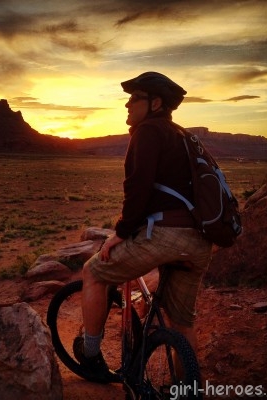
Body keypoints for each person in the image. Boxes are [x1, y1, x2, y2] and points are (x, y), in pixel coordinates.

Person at [73, 71, 212, 381]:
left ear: (156, 103)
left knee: (93, 273)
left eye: (135, 98)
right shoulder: (182, 136)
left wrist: (120, 234)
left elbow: (138, 189)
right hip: (198, 242)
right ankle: (187, 389)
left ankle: (91, 357)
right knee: (181, 324)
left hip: (165, 236)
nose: (128, 104)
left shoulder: (147, 131)